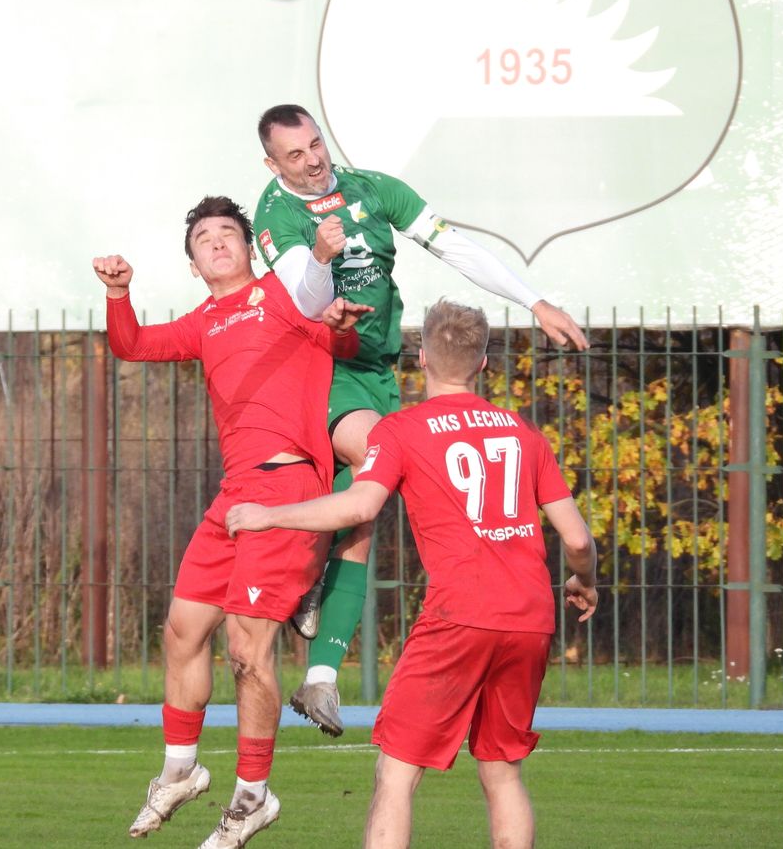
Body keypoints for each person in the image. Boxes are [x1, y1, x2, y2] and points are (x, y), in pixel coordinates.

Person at [253, 103, 591, 736]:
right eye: (294, 155)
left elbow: (453, 248)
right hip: (320, 372)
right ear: (273, 164)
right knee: (379, 461)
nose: (313, 160)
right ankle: (302, 583)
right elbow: (305, 298)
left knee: (366, 503)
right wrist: (324, 260)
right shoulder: (275, 214)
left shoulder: (375, 190)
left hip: (377, 371)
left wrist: (534, 301)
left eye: (315, 144)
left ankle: (322, 676)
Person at [226, 299, 598, 848]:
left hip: (458, 616)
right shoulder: (521, 433)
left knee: (396, 775)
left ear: (421, 357)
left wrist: (268, 515)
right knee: (501, 772)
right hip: (529, 618)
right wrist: (583, 580)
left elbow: (356, 509)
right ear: (484, 364)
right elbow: (577, 538)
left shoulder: (403, 430)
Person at [94, 196, 370, 848]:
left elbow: (333, 323)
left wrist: (334, 302)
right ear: (192, 263)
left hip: (286, 489)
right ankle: (182, 770)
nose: (216, 241)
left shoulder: (282, 294)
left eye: (227, 233)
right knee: (182, 630)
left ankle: (252, 795)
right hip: (233, 497)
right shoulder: (204, 320)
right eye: (203, 237)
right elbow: (130, 344)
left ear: (249, 248)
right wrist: (118, 292)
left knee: (248, 650)